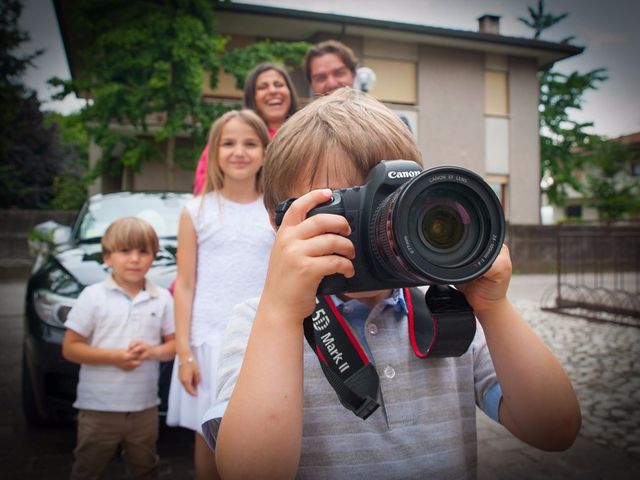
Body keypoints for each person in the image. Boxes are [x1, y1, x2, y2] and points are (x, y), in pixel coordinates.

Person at [202, 88, 582, 479]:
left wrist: (493, 306)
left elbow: (555, 429)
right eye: (340, 207)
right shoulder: (259, 323)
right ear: (279, 224)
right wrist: (280, 313)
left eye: (389, 203)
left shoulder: (448, 314)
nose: (370, 229)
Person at [167, 109, 275, 479]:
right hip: (208, 341)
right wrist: (184, 353)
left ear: (265, 151)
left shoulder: (275, 212)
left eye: (250, 143)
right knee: (209, 435)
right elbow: (184, 285)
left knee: (263, 434)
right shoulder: (196, 211)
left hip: (261, 339)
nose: (239, 152)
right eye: (228, 143)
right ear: (214, 152)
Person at [62, 217, 176, 480]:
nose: (134, 259)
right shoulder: (92, 296)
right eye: (125, 251)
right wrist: (115, 357)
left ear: (153, 257)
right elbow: (70, 348)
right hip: (98, 409)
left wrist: (151, 352)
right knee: (88, 469)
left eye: (143, 251)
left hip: (145, 409)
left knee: (145, 468)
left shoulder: (162, 298)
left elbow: (172, 346)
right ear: (107, 257)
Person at [192, 63, 298, 194]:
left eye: (279, 85)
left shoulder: (307, 135)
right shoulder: (229, 134)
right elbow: (205, 186)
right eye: (262, 87)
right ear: (252, 97)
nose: (272, 90)